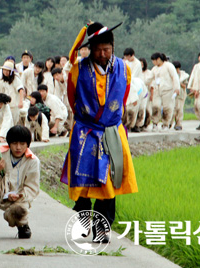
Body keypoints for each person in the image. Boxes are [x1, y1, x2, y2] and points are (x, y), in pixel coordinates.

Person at [61, 21, 138, 244]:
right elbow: (72, 99)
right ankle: (84, 220)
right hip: (85, 132)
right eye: (98, 50)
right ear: (90, 49)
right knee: (84, 182)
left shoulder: (124, 69)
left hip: (112, 132)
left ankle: (103, 227)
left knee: (109, 181)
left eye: (107, 50)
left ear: (113, 48)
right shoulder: (79, 70)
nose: (103, 54)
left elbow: (122, 100)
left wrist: (110, 122)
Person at [149, 53, 180, 132]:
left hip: (167, 90)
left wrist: (177, 88)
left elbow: (175, 77)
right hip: (157, 90)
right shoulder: (154, 69)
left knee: (167, 108)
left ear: (158, 59)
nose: (153, 63)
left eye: (154, 61)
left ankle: (165, 124)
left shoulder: (169, 66)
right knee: (155, 106)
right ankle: (155, 123)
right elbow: (149, 78)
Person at [0, 60, 25, 125]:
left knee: (13, 122)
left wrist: (21, 101)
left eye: (7, 70)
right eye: (4, 70)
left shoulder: (15, 79)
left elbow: (21, 89)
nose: (5, 72)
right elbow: (0, 93)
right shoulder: (1, 80)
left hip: (14, 105)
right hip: (5, 105)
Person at [172, 61, 189, 131]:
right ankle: (171, 122)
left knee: (179, 109)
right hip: (173, 94)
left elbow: (184, 86)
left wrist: (179, 82)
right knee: (173, 109)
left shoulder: (183, 75)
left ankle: (179, 123)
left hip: (181, 94)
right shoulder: (172, 74)